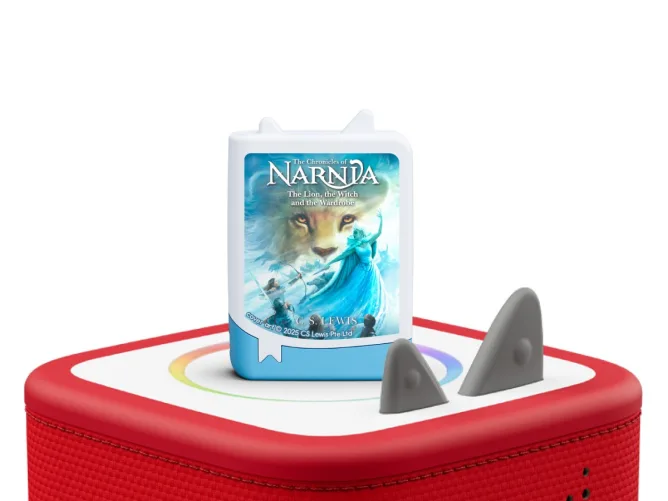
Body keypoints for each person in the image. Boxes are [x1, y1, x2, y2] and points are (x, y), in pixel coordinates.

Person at [299, 210, 387, 333]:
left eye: (356, 232)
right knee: (353, 290)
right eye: (354, 233)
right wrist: (328, 263)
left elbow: (379, 232)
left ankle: (366, 315)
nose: (354, 234)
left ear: (361, 233)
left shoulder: (368, 241)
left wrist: (381, 219)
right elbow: (342, 256)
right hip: (360, 270)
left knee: (370, 292)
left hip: (371, 270)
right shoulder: (354, 247)